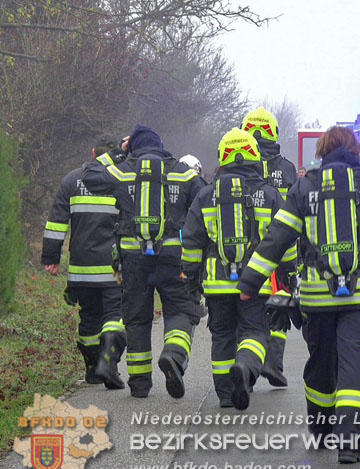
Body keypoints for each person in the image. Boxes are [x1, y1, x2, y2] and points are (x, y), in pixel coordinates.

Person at [236, 126, 360, 464]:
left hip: (317, 298)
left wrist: (250, 284)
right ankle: (349, 442)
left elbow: (277, 238)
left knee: (321, 364)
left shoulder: (304, 188)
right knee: (354, 366)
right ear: (356, 152)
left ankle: (321, 431)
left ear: (321, 152)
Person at [82, 125, 204, 399]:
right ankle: (174, 355)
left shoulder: (121, 170)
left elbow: (89, 175)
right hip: (173, 258)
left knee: (136, 318)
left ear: (133, 147)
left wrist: (117, 151)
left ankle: (139, 384)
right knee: (181, 310)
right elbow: (205, 200)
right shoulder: (183, 172)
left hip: (133, 258)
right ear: (160, 146)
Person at [181, 128, 283, 409]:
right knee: (255, 331)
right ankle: (245, 367)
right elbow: (284, 238)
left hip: (217, 283)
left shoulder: (205, 195)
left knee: (223, 335)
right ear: (254, 155)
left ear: (222, 157)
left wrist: (191, 277)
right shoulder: (269, 195)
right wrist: (287, 275)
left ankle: (226, 394)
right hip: (256, 282)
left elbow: (192, 241)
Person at [42, 138, 126, 390]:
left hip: (81, 269)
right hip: (114, 269)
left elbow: (56, 222)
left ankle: (92, 368)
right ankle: (108, 363)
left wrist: (51, 257)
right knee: (114, 315)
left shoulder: (72, 180)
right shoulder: (121, 178)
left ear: (93, 154)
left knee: (89, 316)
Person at [241, 107, 298, 388]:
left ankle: (247, 367)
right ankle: (273, 364)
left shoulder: (235, 168)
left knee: (246, 311)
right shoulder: (287, 169)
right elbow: (297, 212)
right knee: (280, 302)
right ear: (273, 133)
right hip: (280, 249)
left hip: (241, 251)